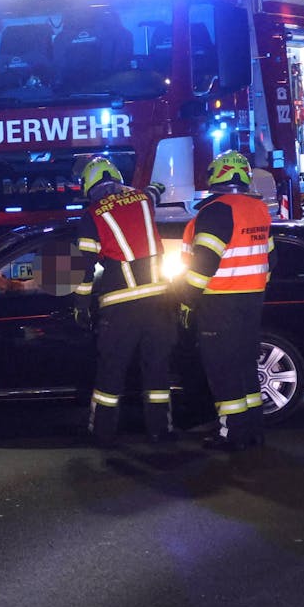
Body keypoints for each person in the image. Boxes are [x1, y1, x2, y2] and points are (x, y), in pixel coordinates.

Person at [73, 156, 176, 446]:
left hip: (120, 306)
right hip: (160, 302)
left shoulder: (92, 214)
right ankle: (161, 431)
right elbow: (155, 191)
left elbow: (85, 265)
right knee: (157, 371)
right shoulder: (143, 199)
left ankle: (103, 434)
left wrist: (81, 305)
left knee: (111, 374)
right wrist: (156, 185)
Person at [181, 150, 272, 451]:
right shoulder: (258, 209)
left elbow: (203, 263)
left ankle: (231, 433)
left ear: (214, 175)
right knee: (245, 366)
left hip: (219, 302)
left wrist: (186, 301)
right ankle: (252, 429)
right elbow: (271, 258)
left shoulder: (216, 211)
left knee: (223, 369)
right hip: (252, 299)